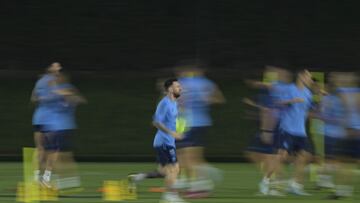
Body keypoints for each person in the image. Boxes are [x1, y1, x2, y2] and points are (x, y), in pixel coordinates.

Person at [174, 66, 225, 197]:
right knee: (185, 156)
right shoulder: (207, 82)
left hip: (188, 123)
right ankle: (190, 183)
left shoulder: (180, 83)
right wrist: (206, 100)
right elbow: (220, 99)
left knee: (189, 158)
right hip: (198, 123)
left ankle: (201, 186)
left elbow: (175, 102)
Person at [41, 72, 86, 190]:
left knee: (63, 154)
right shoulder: (51, 90)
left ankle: (64, 181)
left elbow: (80, 99)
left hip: (66, 126)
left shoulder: (69, 88)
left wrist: (69, 96)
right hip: (54, 126)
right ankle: (45, 178)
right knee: (53, 152)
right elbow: (43, 99)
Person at [277, 70, 314, 195]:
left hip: (301, 131)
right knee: (282, 157)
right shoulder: (288, 89)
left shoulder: (308, 93)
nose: (310, 80)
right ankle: (274, 182)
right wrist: (291, 101)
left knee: (306, 156)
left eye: (310, 78)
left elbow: (308, 110)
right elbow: (278, 103)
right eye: (308, 77)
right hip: (287, 129)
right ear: (300, 76)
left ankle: (295, 185)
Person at [152, 78, 187, 203]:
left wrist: (179, 130)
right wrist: (171, 132)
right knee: (173, 169)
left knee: (171, 170)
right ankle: (170, 196)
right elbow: (156, 122)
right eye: (177, 86)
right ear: (170, 89)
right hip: (163, 141)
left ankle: (170, 195)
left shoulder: (175, 103)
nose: (180, 88)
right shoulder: (164, 103)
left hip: (169, 141)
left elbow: (175, 121)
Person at [31, 62, 62, 182]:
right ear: (50, 68)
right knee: (54, 149)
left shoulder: (39, 82)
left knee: (40, 148)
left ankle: (36, 177)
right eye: (57, 66)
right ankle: (46, 178)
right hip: (50, 120)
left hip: (38, 118)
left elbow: (33, 98)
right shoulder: (54, 81)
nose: (59, 68)